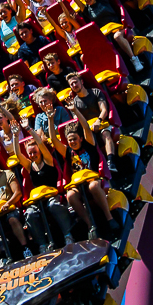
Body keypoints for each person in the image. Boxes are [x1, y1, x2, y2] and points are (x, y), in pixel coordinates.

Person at [45, 102, 119, 239]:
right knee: (70, 195)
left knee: (93, 186)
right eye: (69, 140)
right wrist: (50, 119)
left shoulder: (89, 144)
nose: (72, 142)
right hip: (77, 183)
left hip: (93, 178)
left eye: (74, 139)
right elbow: (54, 140)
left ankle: (109, 218)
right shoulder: (68, 151)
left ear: (80, 138)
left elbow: (85, 126)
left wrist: (75, 110)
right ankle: (90, 224)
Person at [62, 0, 144, 72]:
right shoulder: (86, 9)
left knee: (117, 37)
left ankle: (134, 59)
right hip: (104, 35)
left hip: (117, 28)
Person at [11, 120, 74, 252]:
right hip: (38, 200)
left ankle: (68, 234)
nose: (33, 156)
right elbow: (17, 155)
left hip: (52, 195)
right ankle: (42, 244)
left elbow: (40, 143)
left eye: (35, 152)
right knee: (30, 213)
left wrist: (29, 130)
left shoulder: (48, 160)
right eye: (30, 154)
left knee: (54, 206)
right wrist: (16, 136)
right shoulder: (29, 166)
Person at [65, 73, 117, 172]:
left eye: (75, 82)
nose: (74, 85)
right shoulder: (74, 102)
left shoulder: (95, 92)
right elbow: (77, 120)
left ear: (82, 82)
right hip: (88, 129)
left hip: (101, 124)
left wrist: (99, 121)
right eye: (71, 84)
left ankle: (111, 162)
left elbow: (104, 110)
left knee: (105, 134)